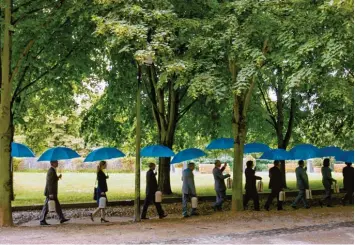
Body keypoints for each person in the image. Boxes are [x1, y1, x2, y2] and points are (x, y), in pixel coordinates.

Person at [39, 160, 70, 225]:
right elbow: (49, 183)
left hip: (53, 192)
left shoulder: (53, 170)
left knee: (57, 205)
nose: (57, 163)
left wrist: (58, 177)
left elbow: (53, 180)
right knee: (46, 206)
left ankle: (62, 218)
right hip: (51, 192)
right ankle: (42, 220)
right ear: (52, 163)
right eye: (56, 162)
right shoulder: (51, 171)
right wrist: (50, 194)